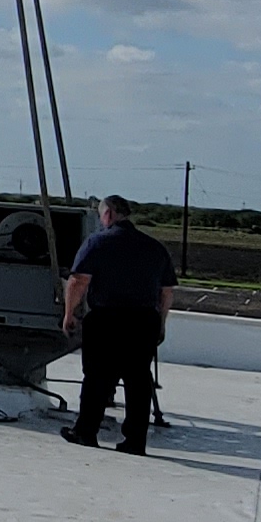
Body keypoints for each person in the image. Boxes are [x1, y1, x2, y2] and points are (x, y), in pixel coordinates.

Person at [60, 193, 175, 453]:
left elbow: (79, 281)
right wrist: (161, 323)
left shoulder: (97, 242)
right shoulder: (154, 247)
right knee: (138, 381)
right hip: (144, 320)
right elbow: (166, 291)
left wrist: (69, 313)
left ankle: (85, 432)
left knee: (97, 377)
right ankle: (135, 441)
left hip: (106, 319)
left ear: (108, 214)